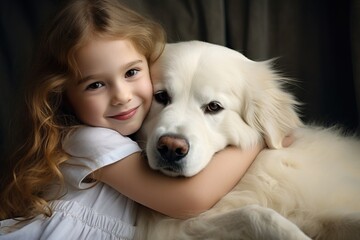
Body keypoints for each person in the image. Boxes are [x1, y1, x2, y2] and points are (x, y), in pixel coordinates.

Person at [0, 0, 265, 239]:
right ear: (64, 95)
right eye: (95, 85)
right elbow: (191, 200)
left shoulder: (129, 136)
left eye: (131, 72)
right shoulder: (87, 140)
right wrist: (258, 139)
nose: (122, 96)